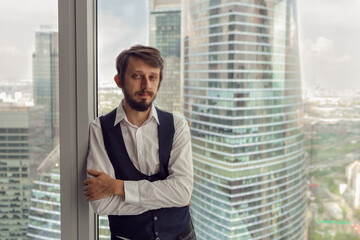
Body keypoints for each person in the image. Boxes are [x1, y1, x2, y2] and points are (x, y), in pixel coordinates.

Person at [83, 45, 196, 240]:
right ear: (119, 81)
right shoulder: (100, 129)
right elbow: (102, 204)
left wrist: (118, 187)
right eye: (137, 76)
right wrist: (168, 198)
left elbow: (182, 193)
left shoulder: (177, 125)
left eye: (152, 77)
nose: (146, 86)